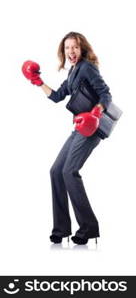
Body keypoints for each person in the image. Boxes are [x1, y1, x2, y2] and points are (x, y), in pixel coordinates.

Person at [22, 32, 112, 245]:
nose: (71, 51)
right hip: (79, 126)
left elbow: (106, 94)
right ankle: (61, 229)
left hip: (92, 126)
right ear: (63, 52)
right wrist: (37, 81)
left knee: (69, 171)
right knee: (56, 171)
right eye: (67, 48)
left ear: (82, 49)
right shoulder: (73, 72)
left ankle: (88, 228)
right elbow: (57, 96)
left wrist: (96, 113)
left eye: (75, 47)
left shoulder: (87, 67)